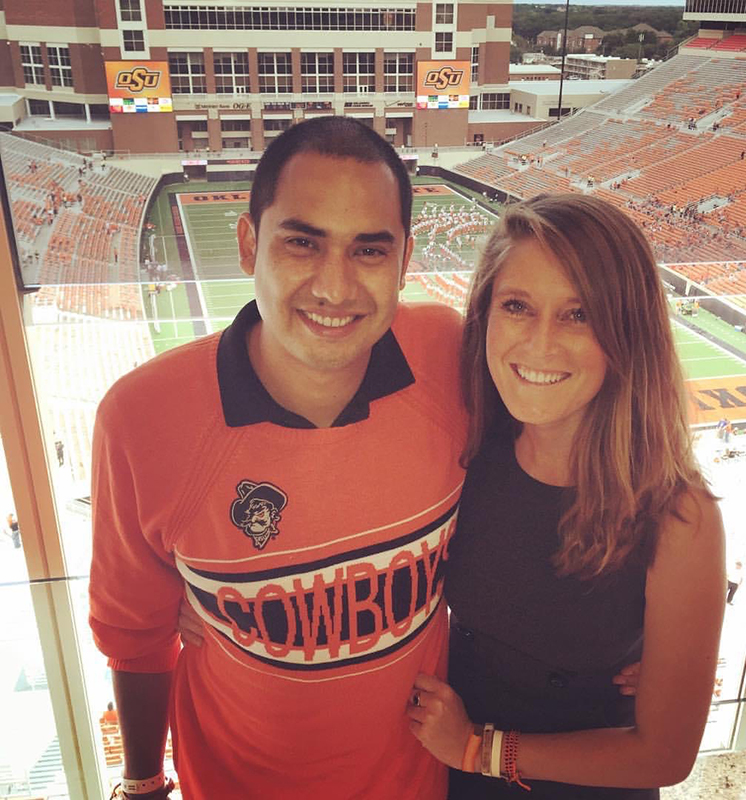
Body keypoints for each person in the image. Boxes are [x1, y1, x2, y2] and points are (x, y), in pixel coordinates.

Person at [89, 117, 467, 800]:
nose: (334, 287)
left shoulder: (451, 357)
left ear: (405, 260)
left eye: (369, 251)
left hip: (418, 783)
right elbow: (134, 635)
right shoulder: (142, 418)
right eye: (302, 242)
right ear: (247, 242)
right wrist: (143, 783)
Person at [406, 195, 725, 798]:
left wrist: (479, 748)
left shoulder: (679, 516)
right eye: (518, 306)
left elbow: (663, 755)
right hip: (447, 775)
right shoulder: (465, 452)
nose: (541, 343)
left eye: (578, 315)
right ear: (485, 315)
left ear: (626, 334)